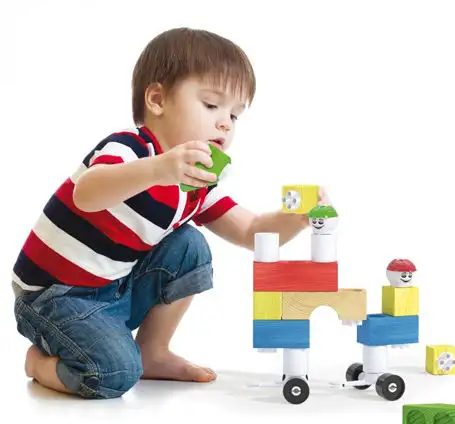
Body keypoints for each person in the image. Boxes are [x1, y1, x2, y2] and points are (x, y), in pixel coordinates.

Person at [12, 27, 326, 399]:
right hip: (53, 296)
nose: (225, 123)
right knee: (113, 373)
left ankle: (153, 350)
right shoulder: (130, 148)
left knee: (190, 245)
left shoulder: (195, 183)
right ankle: (39, 363)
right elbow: (87, 193)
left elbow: (251, 231)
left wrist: (298, 217)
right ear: (157, 100)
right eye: (211, 105)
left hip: (114, 288)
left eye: (234, 115)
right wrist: (160, 169)